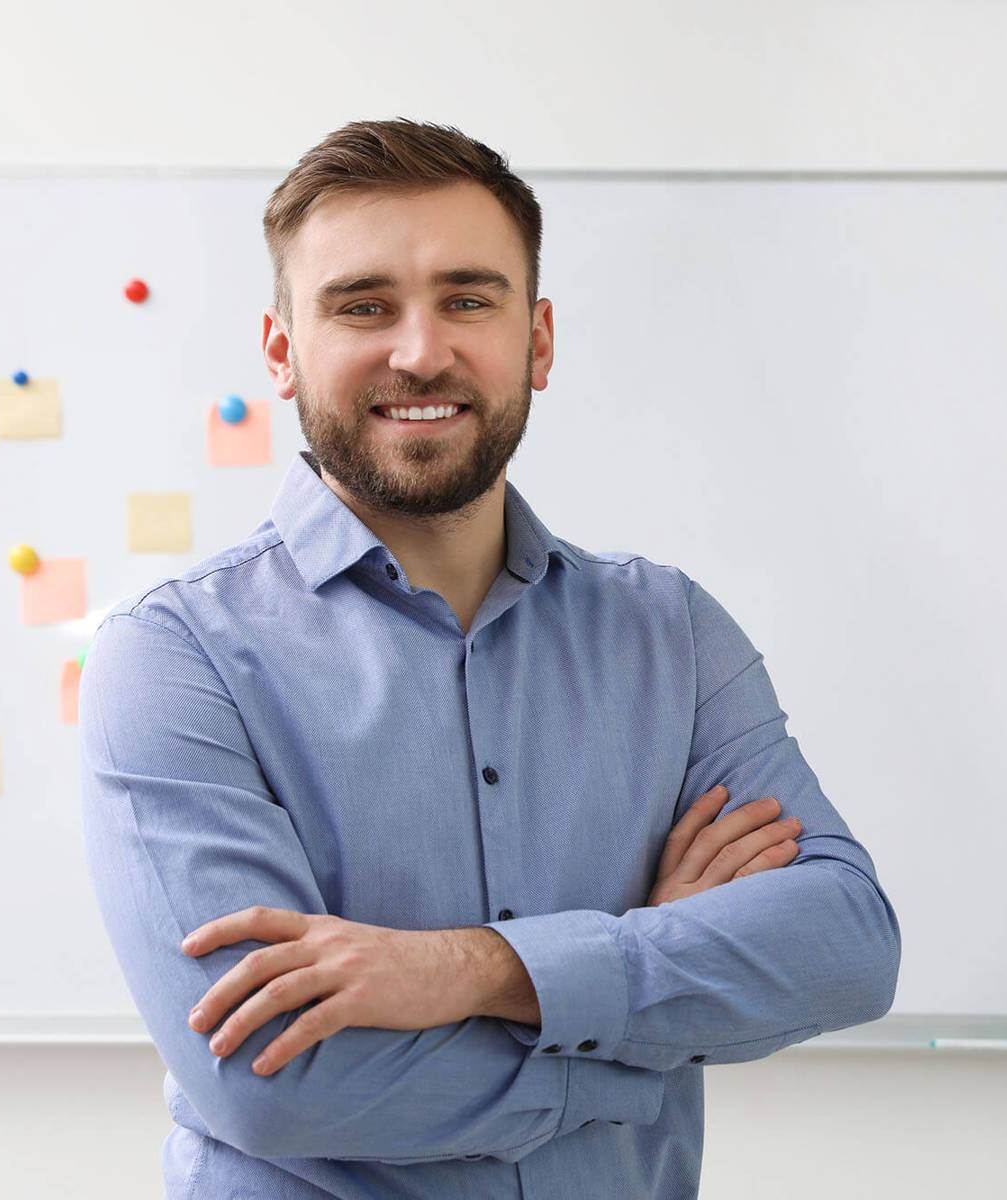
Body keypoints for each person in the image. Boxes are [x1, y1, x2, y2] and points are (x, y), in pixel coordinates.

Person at [78, 118, 900, 1199]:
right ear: (281, 351)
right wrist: (641, 1019)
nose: (421, 351)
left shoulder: (672, 634)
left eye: (469, 299)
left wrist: (474, 968)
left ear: (538, 339)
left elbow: (845, 945)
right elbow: (276, 1082)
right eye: (362, 305)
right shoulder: (174, 658)